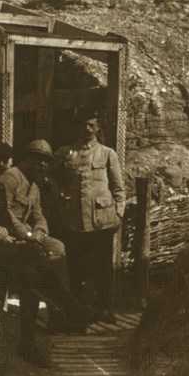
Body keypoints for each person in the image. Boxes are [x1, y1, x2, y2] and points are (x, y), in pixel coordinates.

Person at [0, 141, 103, 367]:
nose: (0, 166)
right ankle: (69, 309)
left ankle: (29, 343)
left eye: (3, 161)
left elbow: (4, 217)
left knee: (29, 273)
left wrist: (3, 231)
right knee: (30, 257)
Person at [51, 110, 125, 314]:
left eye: (91, 125)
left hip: (101, 222)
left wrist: (119, 213)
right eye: (83, 125)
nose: (87, 129)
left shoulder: (108, 153)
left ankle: (106, 310)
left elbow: (119, 188)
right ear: (77, 126)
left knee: (103, 269)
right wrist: (59, 192)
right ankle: (78, 312)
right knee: (75, 268)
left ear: (98, 127)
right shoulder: (66, 152)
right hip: (73, 221)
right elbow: (46, 175)